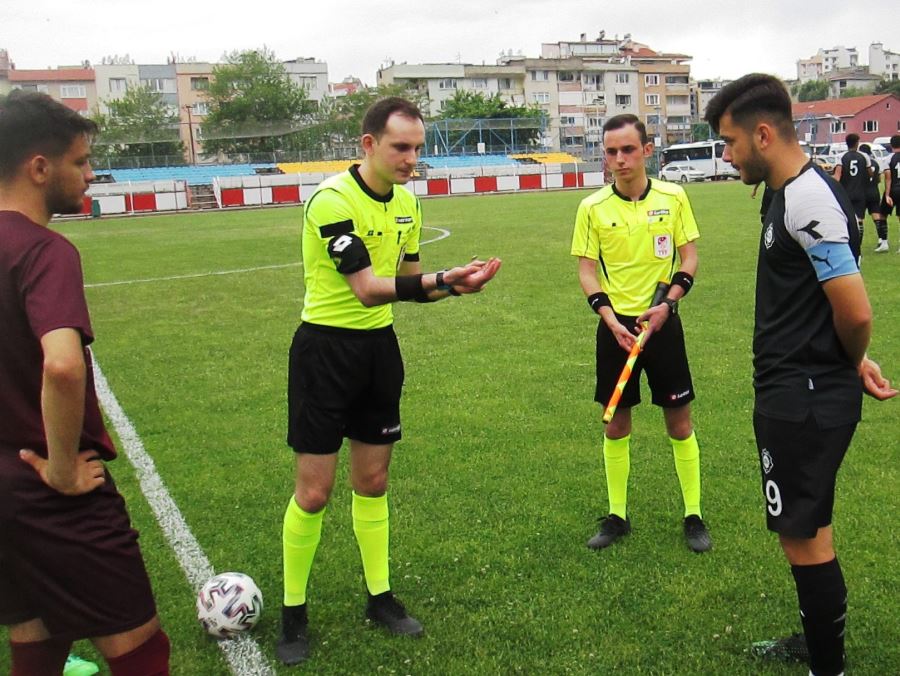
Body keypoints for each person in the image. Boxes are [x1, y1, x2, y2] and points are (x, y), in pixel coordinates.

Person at [278, 97, 501, 665]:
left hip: (379, 351)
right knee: (315, 492)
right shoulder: (331, 201)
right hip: (324, 351)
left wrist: (453, 286)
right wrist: (441, 276)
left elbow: (407, 285)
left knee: (372, 483)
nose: (411, 159)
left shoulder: (407, 203)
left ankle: (378, 597)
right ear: (369, 145)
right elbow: (366, 288)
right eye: (401, 147)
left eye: (418, 148)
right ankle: (292, 612)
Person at [705, 73, 897, 676]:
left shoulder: (809, 197)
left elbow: (856, 308)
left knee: (804, 536)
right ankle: (819, 639)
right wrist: (854, 360)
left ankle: (826, 665)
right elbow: (819, 300)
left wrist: (848, 358)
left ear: (763, 134)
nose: (728, 156)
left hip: (805, 401)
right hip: (803, 391)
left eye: (731, 142)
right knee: (811, 525)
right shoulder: (784, 190)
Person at [0, 92, 170, 674]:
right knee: (142, 651)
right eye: (80, 161)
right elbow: (64, 365)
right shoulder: (44, 252)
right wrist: (63, 466)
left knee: (37, 634)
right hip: (45, 487)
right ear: (39, 167)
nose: (91, 174)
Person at [570, 113, 712, 554]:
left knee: (679, 421)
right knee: (616, 424)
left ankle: (693, 515)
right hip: (616, 329)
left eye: (628, 149)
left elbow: (689, 258)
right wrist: (609, 318)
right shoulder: (592, 208)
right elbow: (586, 270)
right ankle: (617, 516)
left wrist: (668, 305)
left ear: (646, 150)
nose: (619, 159)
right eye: (611, 151)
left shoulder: (674, 197)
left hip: (663, 325)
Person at [832, 133, 871, 241]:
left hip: (845, 193)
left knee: (846, 219)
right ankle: (859, 246)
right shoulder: (864, 156)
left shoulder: (840, 157)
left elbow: (837, 177)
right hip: (860, 192)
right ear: (857, 143)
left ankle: (849, 242)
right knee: (859, 219)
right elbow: (870, 173)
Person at [858, 143, 887, 252]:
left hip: (862, 192)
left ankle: (858, 244)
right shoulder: (875, 162)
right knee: (877, 216)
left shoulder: (860, 162)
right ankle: (882, 239)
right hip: (874, 191)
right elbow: (879, 179)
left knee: (859, 218)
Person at [880, 134, 900, 252]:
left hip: (893, 190)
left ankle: (884, 242)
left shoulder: (888, 158)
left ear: (891, 145)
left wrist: (887, 195)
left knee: (883, 214)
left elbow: (888, 178)